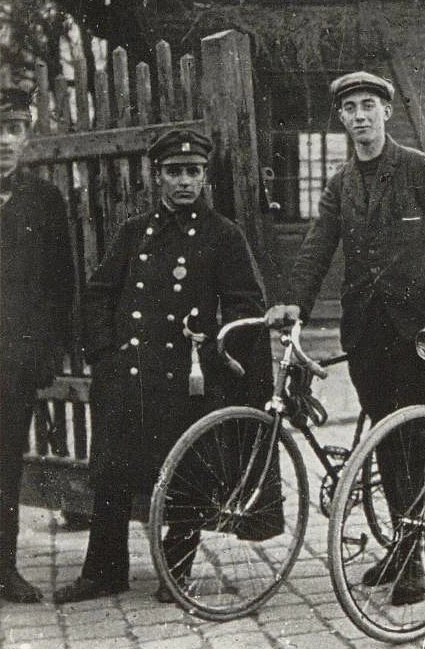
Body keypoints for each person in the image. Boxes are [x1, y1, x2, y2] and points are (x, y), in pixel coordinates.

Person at [265, 71, 425, 599]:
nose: (359, 116)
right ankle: (399, 549)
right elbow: (317, 246)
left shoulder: (420, 170)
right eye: (350, 108)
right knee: (382, 433)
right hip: (366, 331)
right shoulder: (341, 183)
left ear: (387, 112)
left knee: (409, 435)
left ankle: (414, 558)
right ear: (342, 118)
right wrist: (296, 304)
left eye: (368, 106)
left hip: (413, 332)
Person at [54, 128, 271, 604]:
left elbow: (247, 309)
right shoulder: (134, 232)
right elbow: (98, 294)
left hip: (185, 381)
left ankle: (175, 572)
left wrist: (213, 345)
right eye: (174, 172)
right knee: (112, 472)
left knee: (185, 475)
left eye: (193, 172)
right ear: (158, 177)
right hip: (129, 377)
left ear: (205, 177)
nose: (184, 182)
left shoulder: (223, 236)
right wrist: (103, 354)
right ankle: (104, 571)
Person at [0, 87, 75, 603]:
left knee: (6, 463)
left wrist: (48, 348)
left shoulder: (44, 200)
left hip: (13, 358)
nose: (5, 139)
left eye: (15, 127)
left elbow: (59, 281)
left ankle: (4, 569)